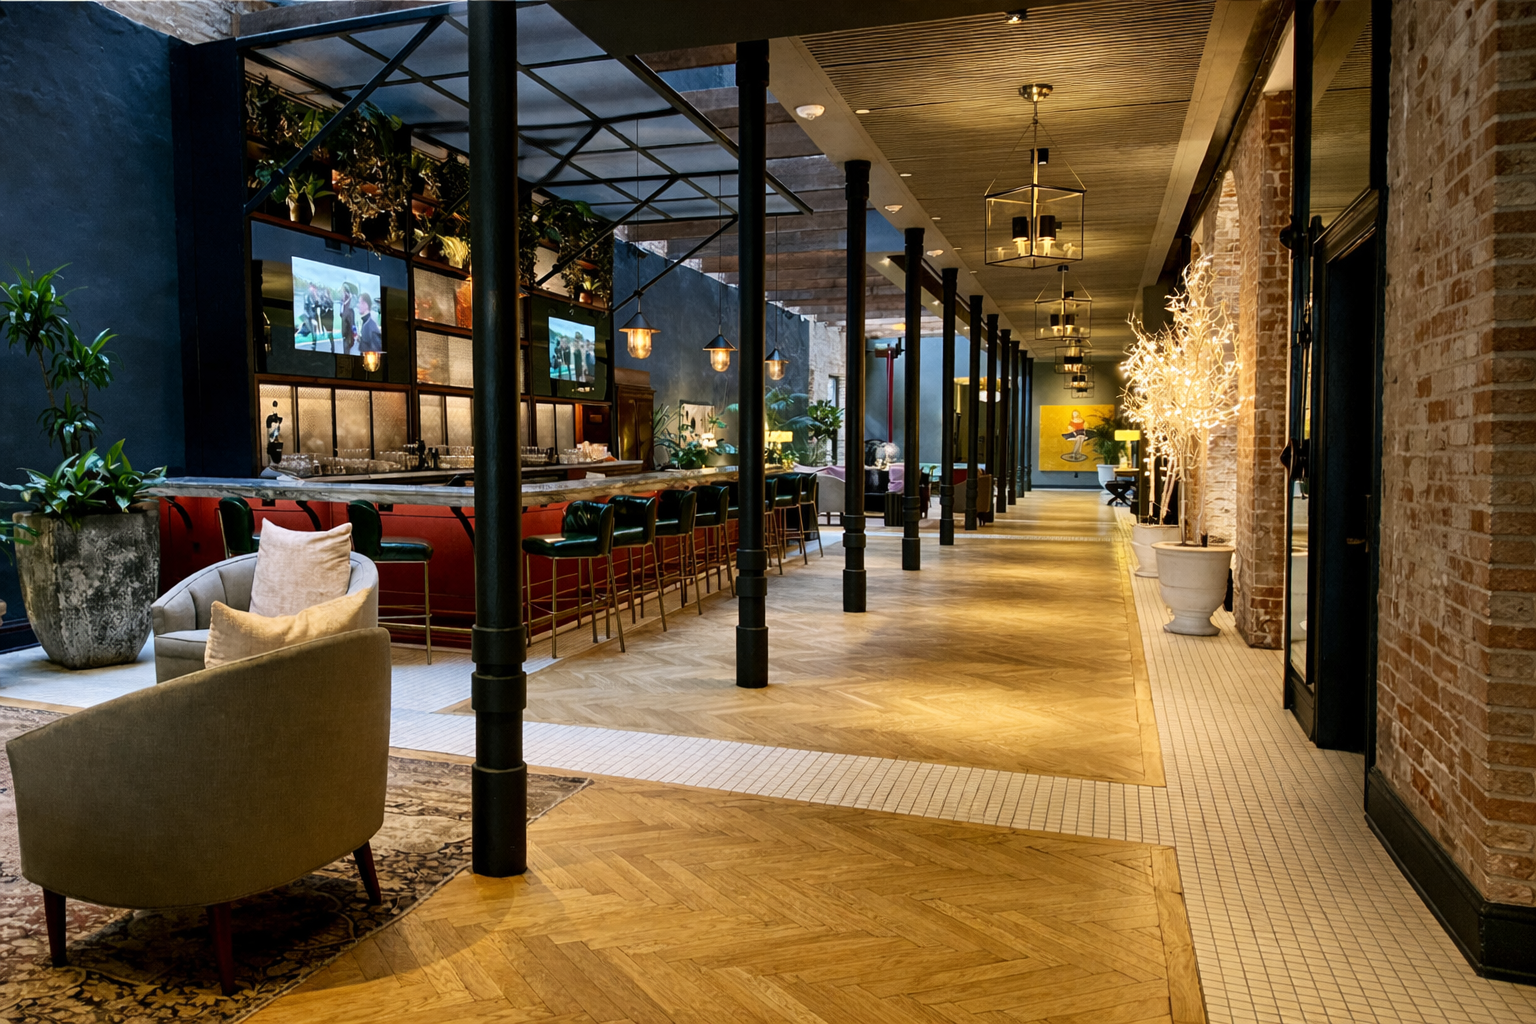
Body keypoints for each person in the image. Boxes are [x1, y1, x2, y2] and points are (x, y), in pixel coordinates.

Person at [357, 292, 382, 357]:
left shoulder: (369, 324)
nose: (358, 305)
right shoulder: (366, 321)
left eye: (360, 303)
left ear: (366, 305)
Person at [339, 285, 357, 355]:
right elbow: (341, 314)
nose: (342, 295)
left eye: (343, 292)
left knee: (347, 350)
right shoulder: (343, 305)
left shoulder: (350, 310)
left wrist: (355, 333)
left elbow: (353, 324)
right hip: (344, 334)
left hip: (349, 335)